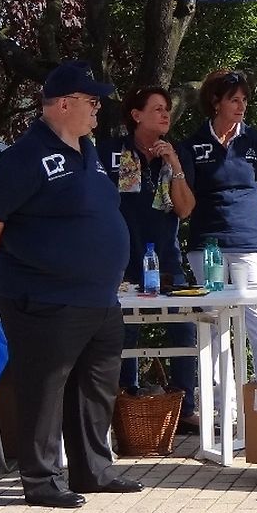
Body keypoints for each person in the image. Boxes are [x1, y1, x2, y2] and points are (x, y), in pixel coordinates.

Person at [0, 60, 143, 509]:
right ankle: (41, 480)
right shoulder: (27, 155)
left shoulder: (89, 152)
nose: (98, 109)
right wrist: (16, 258)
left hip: (97, 297)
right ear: (64, 104)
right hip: (44, 295)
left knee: (95, 385)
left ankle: (93, 470)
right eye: (91, 102)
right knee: (45, 386)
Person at [100, 86, 199, 431]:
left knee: (184, 330)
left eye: (167, 108)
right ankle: (126, 407)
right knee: (124, 335)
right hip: (122, 261)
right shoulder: (111, 152)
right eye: (157, 108)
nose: (165, 114)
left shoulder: (177, 153)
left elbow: (185, 209)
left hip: (165, 261)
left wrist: (175, 165)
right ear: (136, 115)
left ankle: (185, 408)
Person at [181, 69, 257, 381]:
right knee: (213, 322)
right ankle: (221, 402)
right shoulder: (192, 144)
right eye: (234, 100)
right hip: (206, 244)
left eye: (244, 100)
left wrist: (248, 224)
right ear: (215, 102)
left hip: (249, 243)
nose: (241, 106)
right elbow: (186, 198)